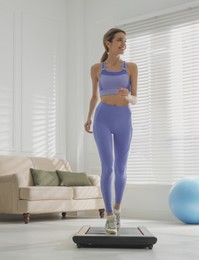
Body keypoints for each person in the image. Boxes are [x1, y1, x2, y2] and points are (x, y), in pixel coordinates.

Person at [84, 28, 138, 234]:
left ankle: (117, 209)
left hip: (124, 118)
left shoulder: (131, 67)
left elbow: (135, 98)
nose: (124, 44)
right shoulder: (96, 69)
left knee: (121, 168)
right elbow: (94, 97)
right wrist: (88, 118)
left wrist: (128, 95)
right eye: (120, 40)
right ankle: (108, 217)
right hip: (102, 118)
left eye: (125, 40)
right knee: (107, 168)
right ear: (108, 43)